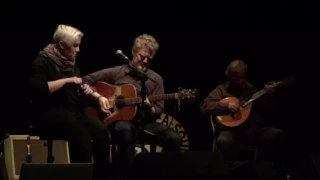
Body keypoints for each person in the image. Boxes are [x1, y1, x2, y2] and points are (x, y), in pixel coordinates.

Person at [82, 34, 182, 178]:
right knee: (124, 130)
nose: (145, 61)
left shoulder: (155, 79)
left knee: (174, 138)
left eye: (149, 58)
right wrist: (99, 98)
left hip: (146, 123)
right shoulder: (118, 72)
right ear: (134, 52)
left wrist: (150, 108)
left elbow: (159, 110)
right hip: (119, 120)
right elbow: (86, 80)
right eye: (142, 56)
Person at [29, 24, 111, 180]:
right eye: (75, 46)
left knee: (101, 132)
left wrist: (97, 97)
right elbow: (39, 88)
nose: (78, 50)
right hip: (51, 113)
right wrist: (66, 81)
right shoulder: (42, 61)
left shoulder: (70, 63)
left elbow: (79, 84)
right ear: (62, 45)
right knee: (81, 135)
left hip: (73, 111)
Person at [199, 60, 284, 162]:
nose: (239, 81)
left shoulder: (251, 89)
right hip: (231, 132)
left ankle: (262, 170)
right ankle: (230, 173)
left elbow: (269, 109)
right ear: (228, 76)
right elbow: (204, 106)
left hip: (253, 131)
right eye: (235, 78)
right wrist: (226, 106)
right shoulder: (221, 90)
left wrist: (268, 96)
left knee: (276, 134)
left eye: (242, 78)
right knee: (224, 140)